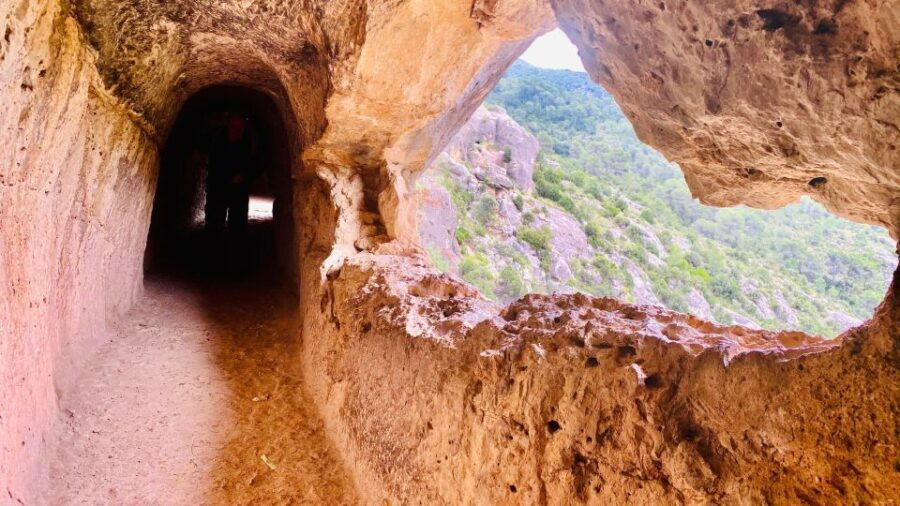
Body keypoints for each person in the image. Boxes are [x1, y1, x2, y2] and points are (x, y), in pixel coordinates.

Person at [204, 111, 257, 234]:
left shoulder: (248, 141)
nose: (236, 131)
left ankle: (234, 250)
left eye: (240, 128)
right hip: (217, 188)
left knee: (237, 227)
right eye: (234, 127)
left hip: (238, 191)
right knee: (214, 225)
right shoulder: (216, 138)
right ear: (228, 125)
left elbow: (256, 163)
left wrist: (245, 175)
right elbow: (204, 151)